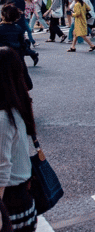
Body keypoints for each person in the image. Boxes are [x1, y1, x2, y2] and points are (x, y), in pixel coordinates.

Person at [0, 47, 38, 232]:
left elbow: (2, 168)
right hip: (21, 197)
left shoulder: (3, 117)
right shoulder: (18, 105)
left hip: (9, 205)